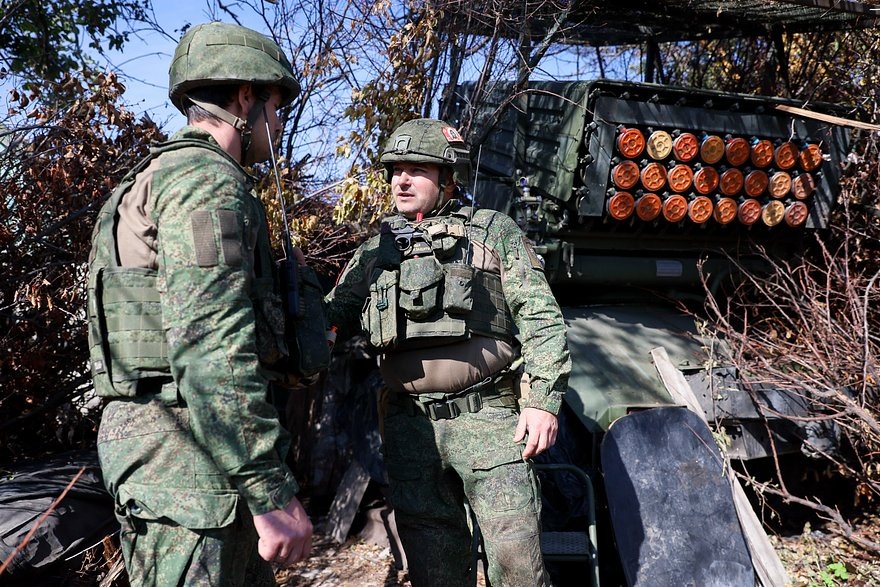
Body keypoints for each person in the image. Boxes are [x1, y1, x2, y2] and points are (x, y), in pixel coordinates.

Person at [87, 22, 312, 585]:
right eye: (276, 105)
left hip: (171, 451)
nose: (279, 123)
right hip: (193, 461)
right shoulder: (206, 180)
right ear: (246, 97)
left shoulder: (153, 176)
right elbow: (212, 344)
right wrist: (269, 490)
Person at [325, 118, 571, 586]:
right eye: (396, 168)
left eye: (417, 168)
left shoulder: (493, 232)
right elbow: (333, 315)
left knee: (518, 563)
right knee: (433, 567)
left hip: (492, 420)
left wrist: (541, 402)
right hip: (410, 427)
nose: (401, 179)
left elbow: (541, 319)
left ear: (447, 176)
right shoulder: (379, 247)